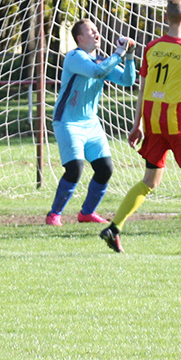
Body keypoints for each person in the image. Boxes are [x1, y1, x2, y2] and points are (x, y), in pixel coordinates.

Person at [100, 0, 181, 254]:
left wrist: (137, 123)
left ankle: (114, 227)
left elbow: (143, 88)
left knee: (150, 180)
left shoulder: (152, 47)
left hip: (152, 119)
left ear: (165, 18)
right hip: (178, 120)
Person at [46, 19, 136, 226]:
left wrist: (129, 56)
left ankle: (87, 213)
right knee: (75, 168)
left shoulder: (102, 61)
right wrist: (118, 53)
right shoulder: (74, 57)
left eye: (97, 30)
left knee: (105, 169)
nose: (97, 34)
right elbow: (97, 72)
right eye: (91, 31)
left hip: (91, 124)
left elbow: (128, 80)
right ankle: (54, 214)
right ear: (79, 38)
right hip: (68, 122)